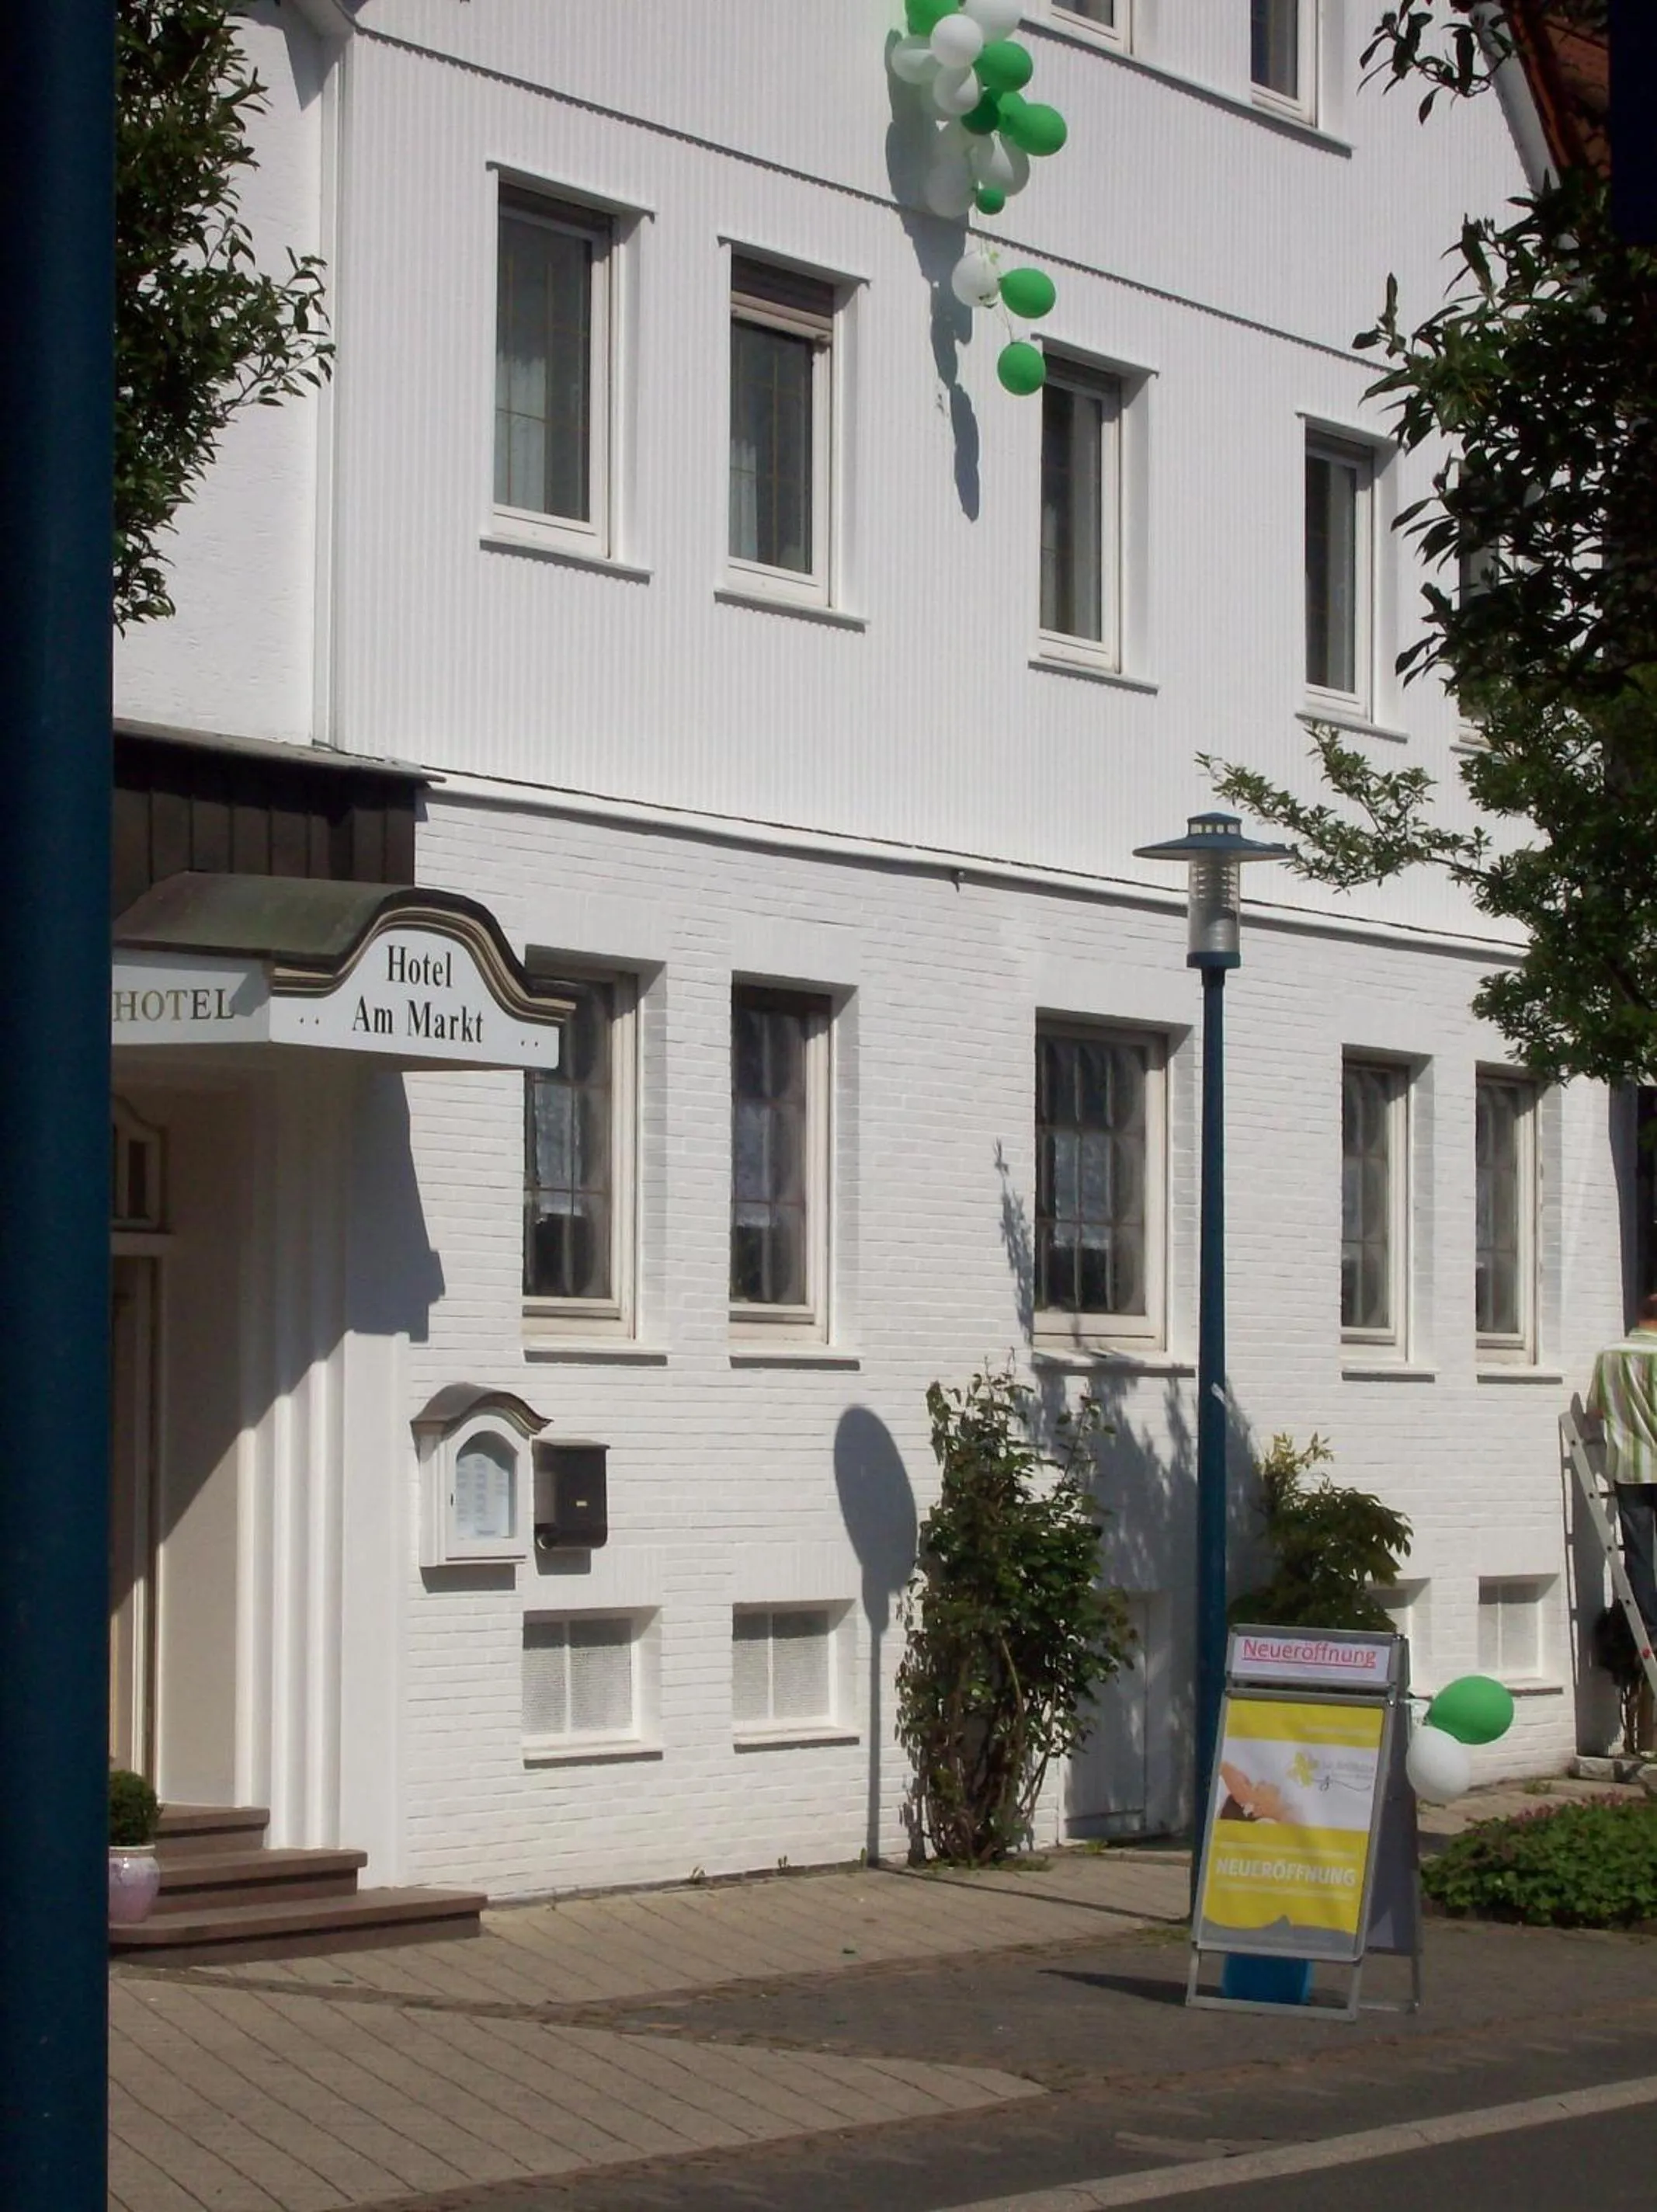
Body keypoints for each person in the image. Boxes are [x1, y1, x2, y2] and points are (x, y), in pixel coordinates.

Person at [1588, 1291, 1657, 1641]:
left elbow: (1596, 1410)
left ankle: (1649, 1626)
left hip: (1627, 1466)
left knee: (1640, 1549)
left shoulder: (1609, 1354)